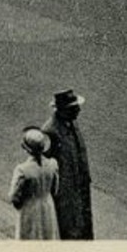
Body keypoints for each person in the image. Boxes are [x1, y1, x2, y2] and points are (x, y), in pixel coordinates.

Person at [43, 89, 93, 239]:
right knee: (69, 230)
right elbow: (45, 167)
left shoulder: (72, 123)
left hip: (80, 187)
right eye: (74, 108)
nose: (78, 110)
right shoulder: (50, 132)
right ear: (63, 110)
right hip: (65, 195)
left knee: (84, 227)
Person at [9, 126, 60, 240]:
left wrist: (20, 204)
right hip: (47, 206)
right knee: (48, 236)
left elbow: (13, 196)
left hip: (29, 207)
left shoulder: (22, 170)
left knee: (29, 237)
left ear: (26, 149)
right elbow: (55, 189)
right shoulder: (52, 165)